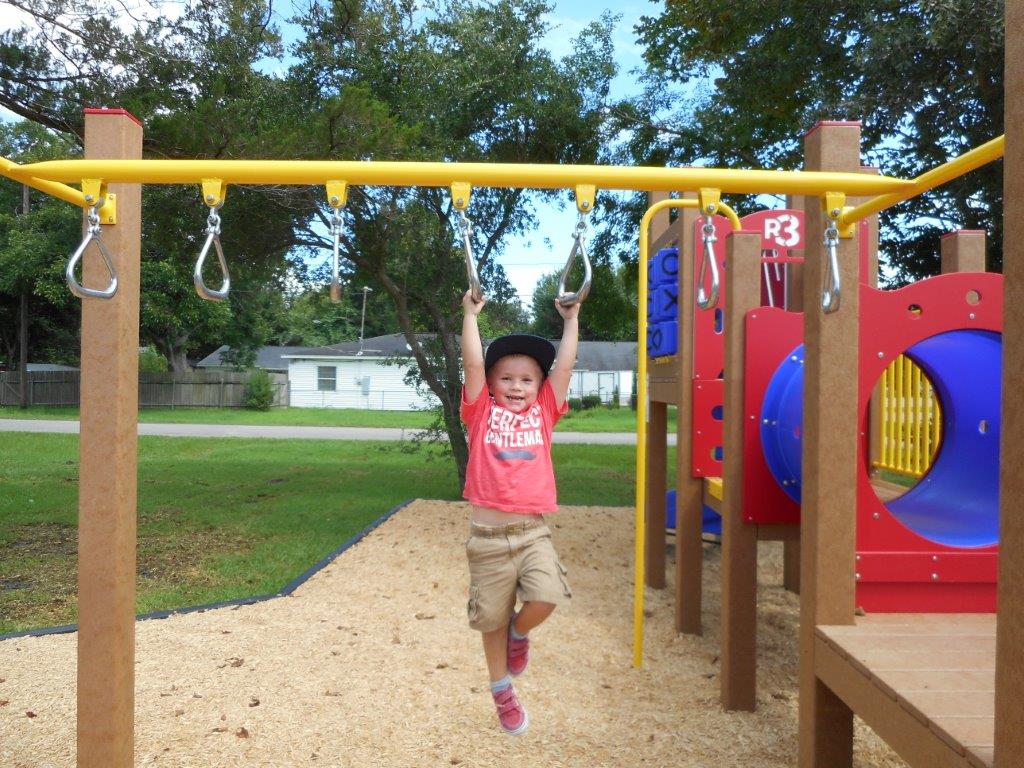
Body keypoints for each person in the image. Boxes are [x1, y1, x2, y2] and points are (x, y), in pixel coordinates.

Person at [459, 289, 580, 736]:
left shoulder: (546, 411)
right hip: (487, 541)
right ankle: (501, 690)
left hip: (532, 532)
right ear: (490, 385)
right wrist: (470, 316)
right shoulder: (479, 413)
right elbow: (472, 363)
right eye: (506, 378)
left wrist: (571, 322)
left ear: (539, 388)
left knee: (546, 596)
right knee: (489, 618)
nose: (516, 387)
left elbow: (563, 367)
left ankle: (520, 633)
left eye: (527, 380)